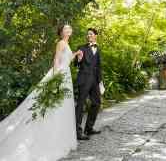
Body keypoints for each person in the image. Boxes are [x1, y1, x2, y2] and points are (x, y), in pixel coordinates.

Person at [0, 24, 82, 161]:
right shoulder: (61, 43)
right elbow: (56, 60)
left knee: (62, 106)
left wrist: (76, 53)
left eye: (70, 28)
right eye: (66, 29)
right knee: (52, 105)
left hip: (65, 75)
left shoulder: (67, 43)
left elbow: (66, 60)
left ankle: (60, 137)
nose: (69, 30)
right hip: (59, 75)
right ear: (61, 32)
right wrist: (56, 78)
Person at [74, 27, 103, 140]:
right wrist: (79, 59)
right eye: (88, 34)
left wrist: (101, 82)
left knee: (96, 103)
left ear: (96, 35)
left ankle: (89, 128)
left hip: (95, 81)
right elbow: (76, 63)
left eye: (91, 34)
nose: (89, 36)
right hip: (84, 79)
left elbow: (99, 66)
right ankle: (78, 132)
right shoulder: (81, 48)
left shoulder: (98, 49)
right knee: (80, 105)